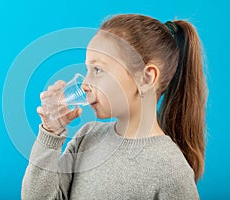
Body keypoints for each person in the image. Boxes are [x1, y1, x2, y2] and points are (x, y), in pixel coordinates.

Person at [21, 14, 207, 199]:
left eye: (98, 70)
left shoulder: (170, 168)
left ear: (146, 78)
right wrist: (50, 134)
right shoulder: (87, 137)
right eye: (88, 70)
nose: (85, 83)